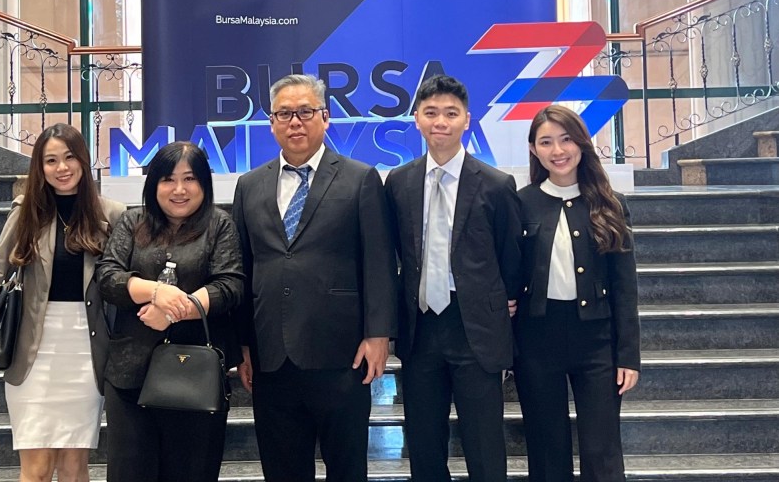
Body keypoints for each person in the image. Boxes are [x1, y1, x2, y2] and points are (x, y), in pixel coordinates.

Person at [232, 73, 398, 482]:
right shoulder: (249, 185)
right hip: (272, 356)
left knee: (347, 469)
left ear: (325, 117)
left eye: (305, 112)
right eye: (284, 114)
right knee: (283, 470)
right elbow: (242, 268)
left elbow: (379, 262)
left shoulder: (360, 178)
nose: (295, 122)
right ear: (271, 123)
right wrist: (243, 344)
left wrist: (379, 335)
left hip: (341, 353)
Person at [0, 123, 125, 482]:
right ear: (40, 167)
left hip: (86, 350)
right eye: (51, 160)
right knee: (37, 469)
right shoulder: (26, 212)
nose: (62, 168)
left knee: (74, 466)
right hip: (32, 349)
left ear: (83, 159)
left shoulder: (112, 214)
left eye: (69, 157)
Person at [384, 74, 523, 482]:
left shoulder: (496, 184)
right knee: (424, 445)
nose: (440, 122)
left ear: (467, 119)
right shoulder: (398, 182)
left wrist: (502, 300)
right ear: (416, 119)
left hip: (475, 327)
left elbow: (510, 255)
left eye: (450, 113)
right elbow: (393, 251)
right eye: (431, 113)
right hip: (420, 328)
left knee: (484, 446)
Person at [97, 141, 243, 482]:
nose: (179, 189)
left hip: (196, 378)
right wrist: (157, 292)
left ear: (204, 184)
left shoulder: (220, 225)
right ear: (154, 184)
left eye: (189, 179)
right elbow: (107, 277)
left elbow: (230, 286)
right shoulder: (132, 221)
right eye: (168, 179)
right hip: (130, 376)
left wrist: (174, 312)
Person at [515, 104, 640, 482]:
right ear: (534, 149)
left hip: (596, 340)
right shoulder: (521, 203)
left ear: (582, 143)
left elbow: (625, 287)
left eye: (566, 139)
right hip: (537, 338)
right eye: (546, 142)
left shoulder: (610, 203)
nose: (558, 150)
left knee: (601, 448)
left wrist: (628, 355)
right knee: (545, 444)